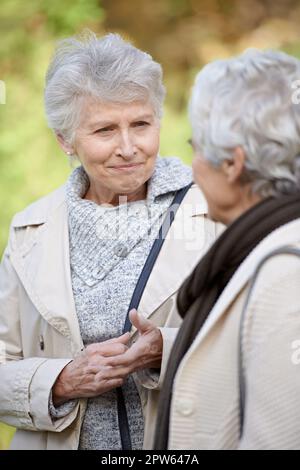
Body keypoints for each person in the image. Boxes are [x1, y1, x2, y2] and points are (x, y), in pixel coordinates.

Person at [0, 32, 221, 450]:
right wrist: (61, 380)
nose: (128, 148)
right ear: (65, 141)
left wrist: (166, 349)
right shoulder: (31, 228)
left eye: (140, 124)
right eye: (104, 130)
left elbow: (264, 341)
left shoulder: (215, 210)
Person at [154, 49, 300, 450]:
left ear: (233, 164)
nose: (192, 165)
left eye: (196, 147)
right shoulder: (260, 247)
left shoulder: (287, 275)